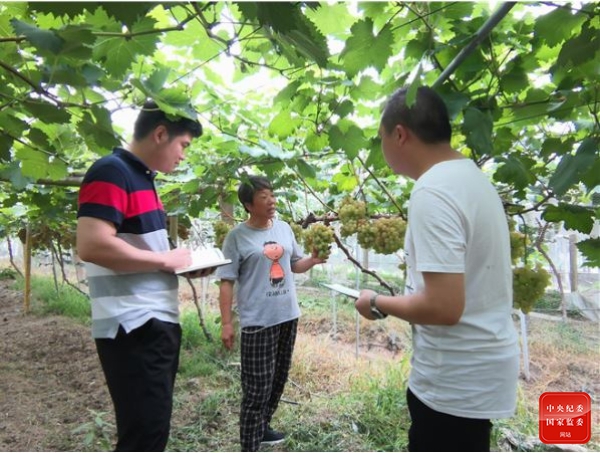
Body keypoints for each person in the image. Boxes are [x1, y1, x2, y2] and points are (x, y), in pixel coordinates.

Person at [354, 86, 520, 452]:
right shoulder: (472, 179)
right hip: (477, 373)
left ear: (400, 135)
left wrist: (377, 302)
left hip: (453, 384)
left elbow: (443, 307)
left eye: (382, 138)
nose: (382, 148)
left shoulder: (433, 190)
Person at [76, 100, 208, 451]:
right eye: (183, 145)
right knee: (144, 438)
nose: (183, 156)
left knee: (150, 432)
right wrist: (164, 260)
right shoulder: (112, 171)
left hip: (149, 324)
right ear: (160, 134)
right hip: (133, 326)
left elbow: (141, 252)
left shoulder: (142, 180)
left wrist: (181, 264)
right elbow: (92, 244)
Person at [216, 175, 327, 452]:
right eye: (264, 197)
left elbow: (294, 265)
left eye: (272, 195)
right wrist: (227, 323)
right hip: (258, 321)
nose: (272, 201)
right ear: (248, 205)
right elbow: (226, 281)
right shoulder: (237, 237)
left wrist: (312, 260)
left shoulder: (284, 228)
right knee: (257, 388)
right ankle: (249, 445)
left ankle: (263, 427)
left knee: (278, 378)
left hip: (287, 315)